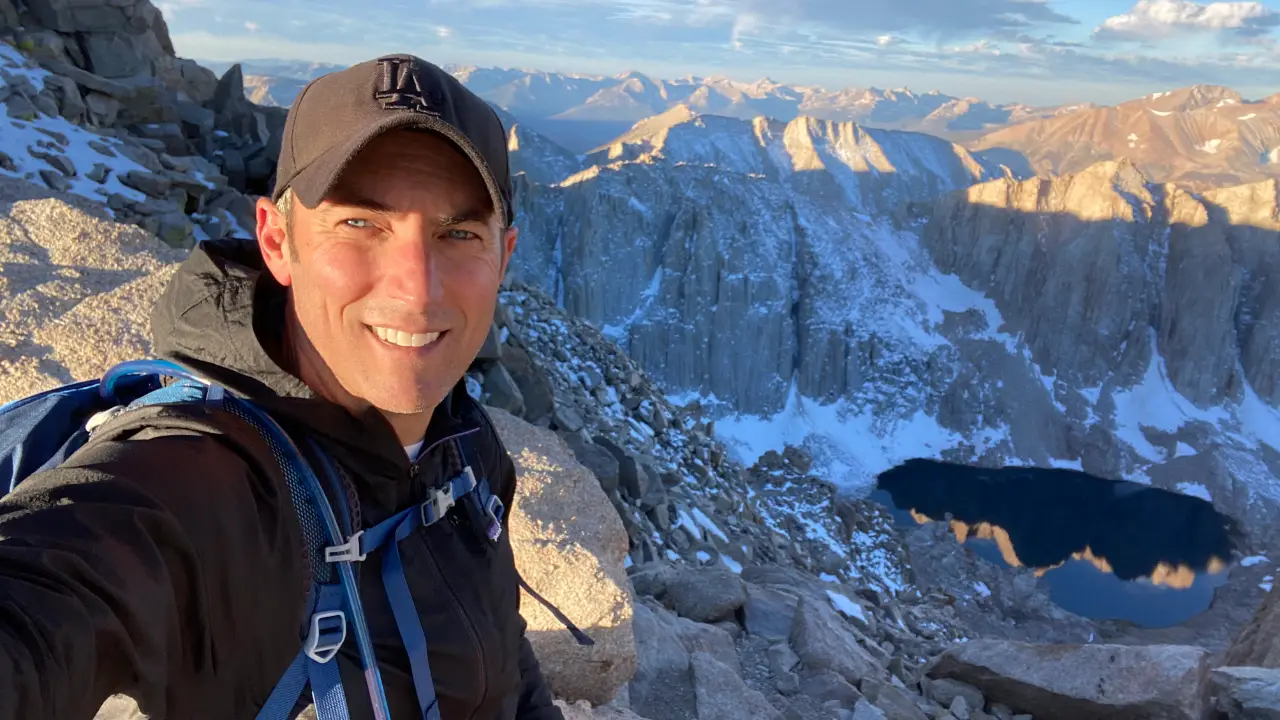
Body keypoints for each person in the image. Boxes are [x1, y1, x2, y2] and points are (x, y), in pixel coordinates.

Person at [0, 53, 566, 719]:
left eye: (458, 232)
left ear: (505, 255)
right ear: (276, 241)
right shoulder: (201, 479)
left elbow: (506, 661)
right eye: (361, 224)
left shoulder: (468, 450)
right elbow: (48, 595)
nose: (418, 288)